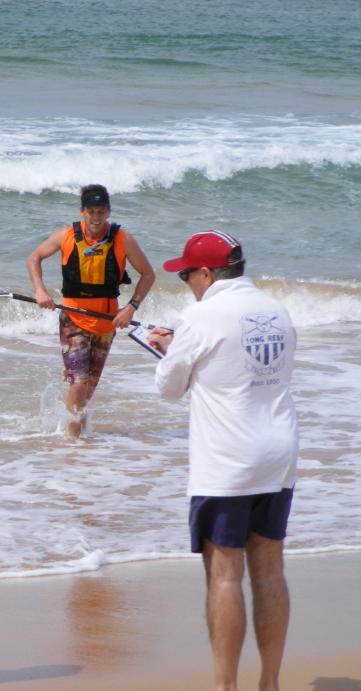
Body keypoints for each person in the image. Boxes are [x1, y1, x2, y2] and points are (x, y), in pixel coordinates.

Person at [148, 231, 298, 691]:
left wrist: (169, 349)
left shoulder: (200, 315)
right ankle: (270, 683)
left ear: (207, 274)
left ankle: (225, 687)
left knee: (225, 574)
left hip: (229, 459)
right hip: (279, 453)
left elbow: (168, 388)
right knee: (269, 570)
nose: (187, 284)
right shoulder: (276, 309)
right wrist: (184, 348)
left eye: (187, 276)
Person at [26, 184, 155, 437]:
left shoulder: (123, 239)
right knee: (79, 383)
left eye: (101, 212)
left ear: (109, 212)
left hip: (106, 323)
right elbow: (34, 258)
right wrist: (40, 291)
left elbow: (148, 274)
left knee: (88, 389)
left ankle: (81, 438)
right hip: (73, 319)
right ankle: (73, 444)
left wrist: (131, 307)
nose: (96, 217)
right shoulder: (65, 235)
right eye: (91, 211)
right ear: (82, 211)